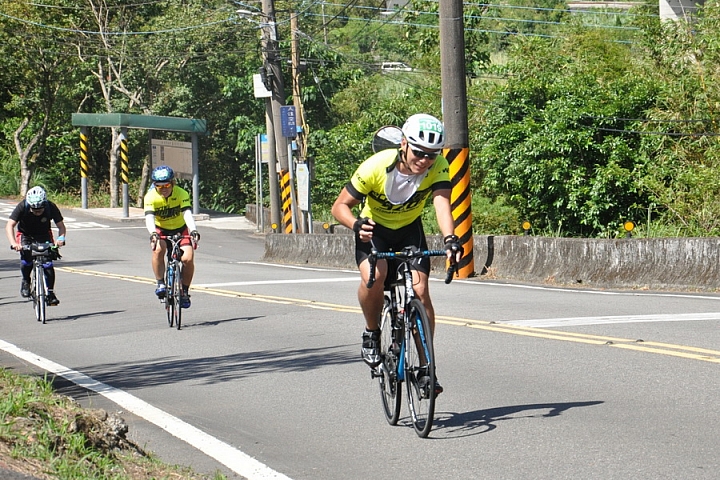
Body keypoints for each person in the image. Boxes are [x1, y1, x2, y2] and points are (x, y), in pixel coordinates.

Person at [331, 113, 463, 394]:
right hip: (374, 229)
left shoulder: (438, 166)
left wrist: (451, 239)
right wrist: (356, 225)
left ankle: (427, 367)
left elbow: (442, 205)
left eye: (431, 154)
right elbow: (339, 206)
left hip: (408, 230)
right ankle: (371, 332)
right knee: (375, 277)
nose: (425, 160)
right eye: (419, 152)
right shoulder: (376, 166)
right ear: (403, 144)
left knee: (421, 289)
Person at [144, 165, 200, 309]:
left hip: (180, 229)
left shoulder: (181, 193)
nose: (163, 189)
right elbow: (149, 217)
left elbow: (187, 213)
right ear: (154, 185)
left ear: (173, 183)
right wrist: (153, 234)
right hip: (160, 229)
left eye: (167, 185)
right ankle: (160, 282)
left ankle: (185, 292)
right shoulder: (150, 197)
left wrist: (193, 230)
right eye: (159, 186)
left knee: (187, 258)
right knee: (157, 249)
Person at [5, 186, 66, 305]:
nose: (37, 212)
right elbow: (9, 225)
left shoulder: (50, 207)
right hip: (25, 235)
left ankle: (50, 292)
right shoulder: (23, 206)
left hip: (44, 235)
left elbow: (61, 226)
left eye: (40, 209)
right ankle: (26, 280)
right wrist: (14, 243)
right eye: (34, 210)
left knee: (48, 263)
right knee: (26, 259)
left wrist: (61, 238)